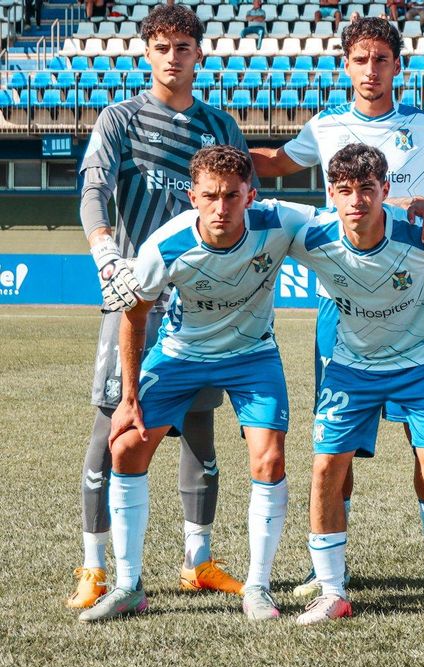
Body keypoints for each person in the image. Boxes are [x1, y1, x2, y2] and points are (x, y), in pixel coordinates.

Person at [249, 16, 424, 599]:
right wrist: (213, 148)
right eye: (361, 59)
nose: (371, 69)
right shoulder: (325, 125)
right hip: (340, 302)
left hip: (409, 293)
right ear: (345, 65)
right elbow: (275, 163)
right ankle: (328, 572)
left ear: (398, 65)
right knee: (335, 447)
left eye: (381, 59)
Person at [79, 146, 310, 622]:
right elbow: (134, 315)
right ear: (193, 197)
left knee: (269, 458)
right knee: (125, 447)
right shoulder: (165, 245)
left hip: (252, 355)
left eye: (232, 196)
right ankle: (128, 586)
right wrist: (128, 398)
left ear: (251, 195)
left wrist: (411, 206)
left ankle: (258, 588)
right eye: (210, 196)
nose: (221, 207)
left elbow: (348, 217)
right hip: (181, 354)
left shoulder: (279, 222)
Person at [70, 3, 249, 611]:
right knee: (114, 426)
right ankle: (95, 566)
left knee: (199, 428)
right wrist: (104, 251)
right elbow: (94, 188)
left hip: (202, 304)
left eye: (183, 47)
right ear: (147, 53)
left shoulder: (220, 126)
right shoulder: (120, 118)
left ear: (200, 53)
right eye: (162, 47)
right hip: (135, 299)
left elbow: (242, 203)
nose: (173, 57)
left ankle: (198, 561)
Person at [289, 145, 424, 627]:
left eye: (367, 189)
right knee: (326, 468)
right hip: (351, 367)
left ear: (385, 189)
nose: (357, 201)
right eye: (345, 190)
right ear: (331, 194)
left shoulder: (422, 231)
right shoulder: (311, 235)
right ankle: (331, 592)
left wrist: (423, 205)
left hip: (423, 363)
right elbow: (250, 214)